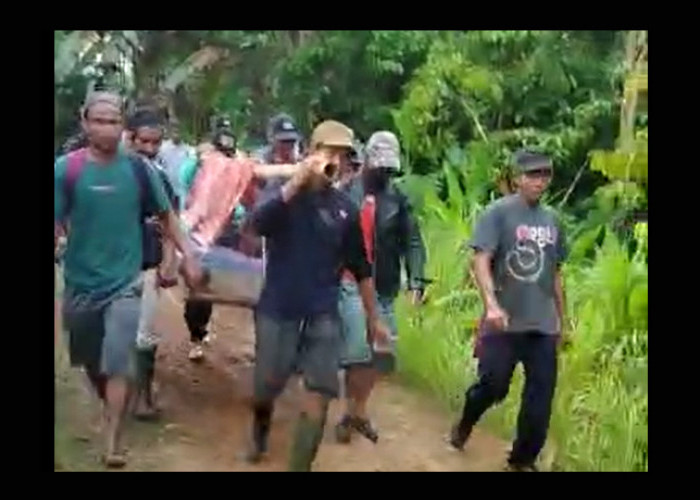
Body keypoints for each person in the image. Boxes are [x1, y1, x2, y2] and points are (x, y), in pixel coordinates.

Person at [54, 91, 202, 468]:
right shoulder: (65, 170)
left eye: (113, 120)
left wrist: (188, 254)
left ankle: (112, 439)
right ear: (85, 123)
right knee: (90, 359)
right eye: (98, 120)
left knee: (119, 358)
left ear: (123, 126)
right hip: (81, 283)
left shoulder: (139, 170)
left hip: (126, 282)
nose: (106, 128)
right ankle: (110, 402)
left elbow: (168, 216)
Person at [246, 120, 392, 471]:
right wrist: (296, 183)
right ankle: (260, 427)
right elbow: (255, 225)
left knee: (320, 391)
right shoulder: (284, 193)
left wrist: (375, 320)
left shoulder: (345, 209)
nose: (337, 163)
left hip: (323, 312)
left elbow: (361, 268)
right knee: (268, 384)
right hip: (279, 307)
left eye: (343, 156)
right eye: (331, 153)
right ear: (311, 152)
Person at [449, 150, 568, 472]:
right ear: (517, 178)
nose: (538, 181)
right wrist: (491, 305)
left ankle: (522, 460)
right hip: (503, 322)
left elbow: (556, 273)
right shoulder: (498, 214)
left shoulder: (553, 221)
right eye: (532, 175)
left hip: (542, 324)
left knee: (540, 398)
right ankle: (466, 420)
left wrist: (564, 321)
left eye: (544, 175)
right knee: (494, 386)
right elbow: (480, 259)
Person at [334, 131, 427, 444]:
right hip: (349, 281)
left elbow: (413, 241)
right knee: (358, 350)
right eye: (380, 166)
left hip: (384, 285)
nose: (385, 173)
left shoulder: (398, 200)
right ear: (368, 160)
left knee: (382, 353)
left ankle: (356, 410)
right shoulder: (345, 192)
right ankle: (352, 408)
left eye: (390, 168)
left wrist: (416, 280)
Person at [126, 109, 179, 420]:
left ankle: (142, 398)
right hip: (108, 265)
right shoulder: (110, 170)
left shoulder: (159, 176)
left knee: (144, 335)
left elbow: (171, 220)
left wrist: (170, 261)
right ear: (129, 137)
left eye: (156, 142)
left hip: (146, 262)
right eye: (143, 141)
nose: (149, 148)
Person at [160, 120, 194, 211]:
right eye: (174, 130)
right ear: (170, 132)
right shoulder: (162, 148)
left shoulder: (188, 150)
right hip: (166, 189)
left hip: (182, 191)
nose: (176, 133)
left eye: (178, 131)